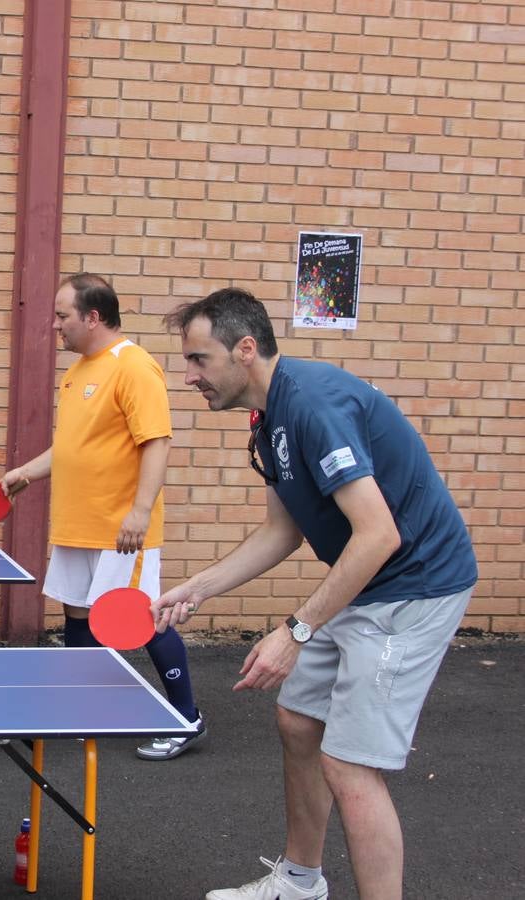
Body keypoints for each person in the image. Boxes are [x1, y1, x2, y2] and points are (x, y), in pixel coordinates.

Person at [156, 288, 476, 900]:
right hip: (369, 582)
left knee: (350, 764)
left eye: (198, 359)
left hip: (415, 588)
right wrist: (196, 590)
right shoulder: (267, 416)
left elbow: (378, 534)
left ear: (245, 349)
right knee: (300, 721)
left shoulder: (314, 406)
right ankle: (301, 882)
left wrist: (295, 631)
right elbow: (283, 530)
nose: (188, 374)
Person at [0, 273, 204, 759]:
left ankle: (187, 718)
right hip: (78, 524)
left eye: (62, 316)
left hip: (122, 530)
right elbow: (72, 447)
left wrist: (139, 511)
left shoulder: (134, 367)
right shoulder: (77, 373)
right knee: (77, 611)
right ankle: (81, 709)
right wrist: (26, 473)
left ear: (93, 317)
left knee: (141, 617)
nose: (55, 325)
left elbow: (156, 440)